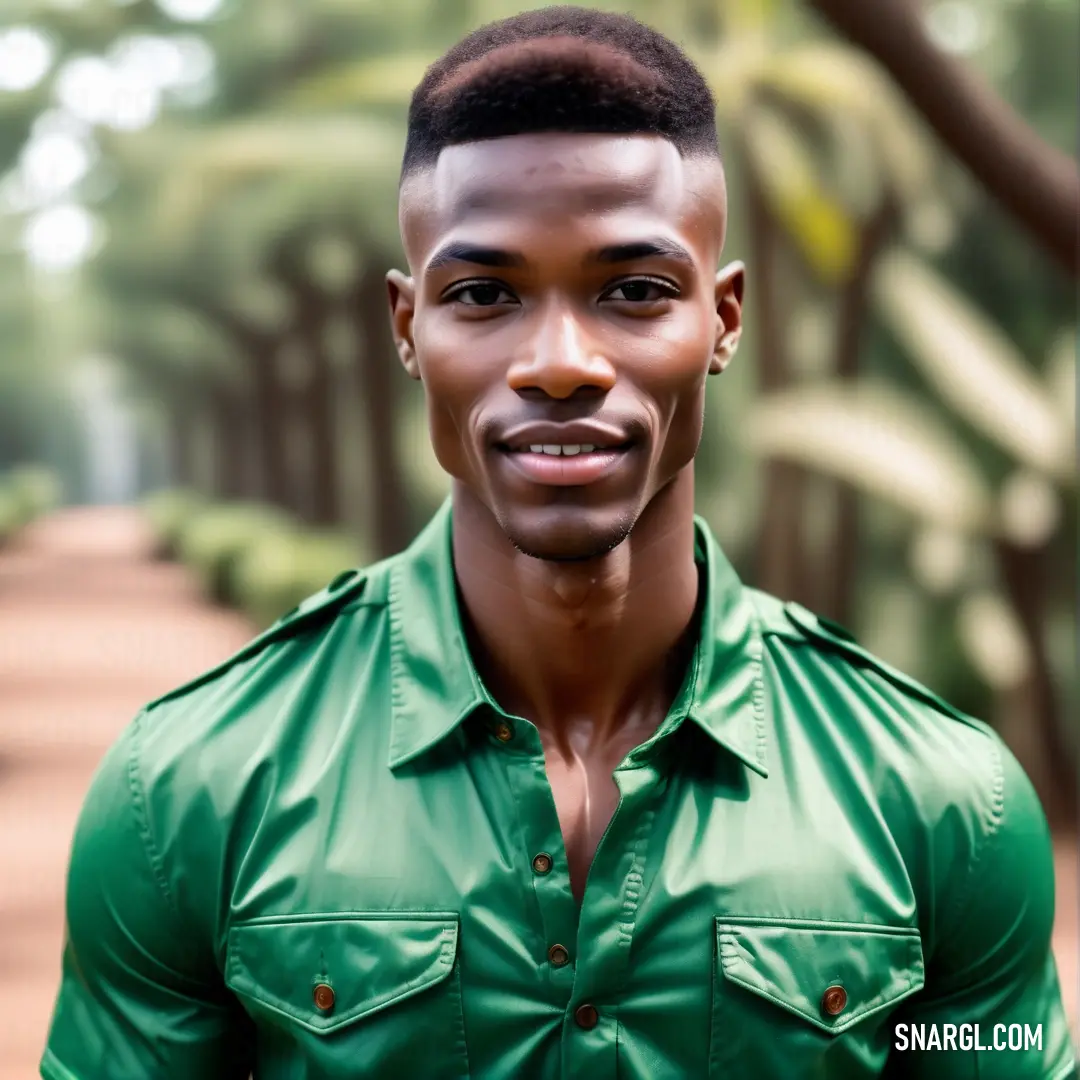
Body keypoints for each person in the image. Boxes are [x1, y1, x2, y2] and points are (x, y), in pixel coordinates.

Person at [41, 7, 1075, 1080]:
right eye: (483, 294)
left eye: (635, 290)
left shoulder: (940, 804)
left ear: (723, 320)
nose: (562, 363)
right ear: (409, 328)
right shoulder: (190, 791)